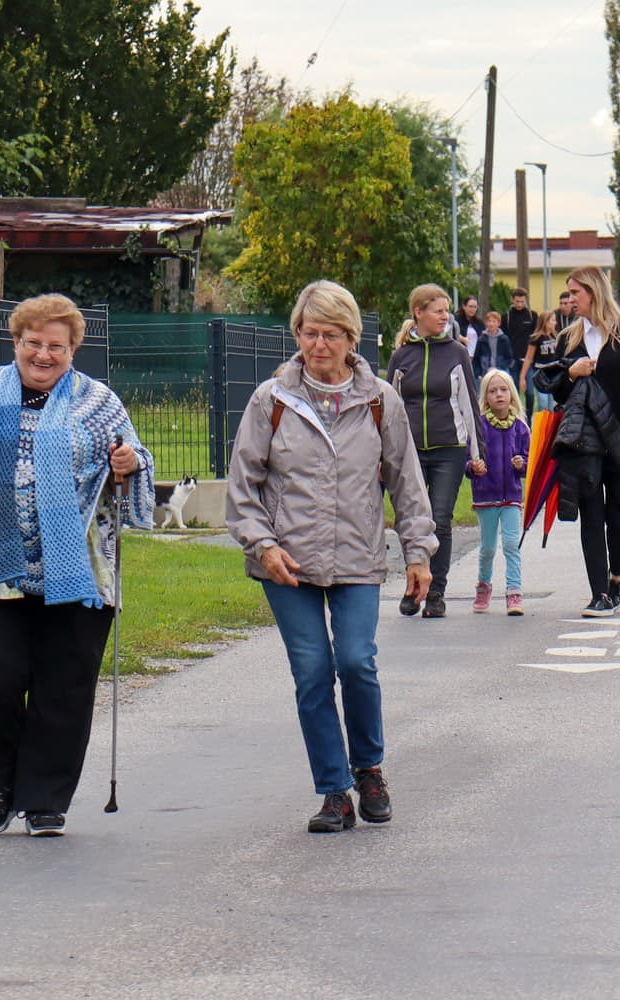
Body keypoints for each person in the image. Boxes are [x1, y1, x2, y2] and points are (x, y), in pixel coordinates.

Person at [0, 292, 155, 838]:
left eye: (56, 346)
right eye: (33, 343)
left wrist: (128, 463)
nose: (43, 355)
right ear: (16, 342)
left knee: (65, 682)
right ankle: (0, 787)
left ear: (73, 350)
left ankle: (45, 798)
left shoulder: (98, 402)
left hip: (76, 567)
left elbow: (134, 460)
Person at [225, 280, 437, 832]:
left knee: (356, 662)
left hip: (357, 558)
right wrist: (263, 546)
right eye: (309, 332)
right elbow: (243, 487)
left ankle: (369, 768)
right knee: (313, 673)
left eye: (331, 334)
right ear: (297, 334)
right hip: (286, 563)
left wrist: (418, 553)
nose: (319, 344)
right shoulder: (271, 400)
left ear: (351, 338)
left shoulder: (379, 401)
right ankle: (334, 791)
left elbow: (406, 482)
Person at [533, 266, 620, 617]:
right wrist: (571, 373)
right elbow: (558, 391)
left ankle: (616, 577)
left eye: (576, 292)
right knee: (591, 515)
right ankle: (599, 593)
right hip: (582, 443)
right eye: (569, 293)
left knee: (619, 517)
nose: (570, 299)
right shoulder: (568, 339)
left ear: (594, 291)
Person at [387, 283, 486, 619]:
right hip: (410, 452)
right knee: (411, 520)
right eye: (438, 311)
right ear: (419, 312)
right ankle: (413, 586)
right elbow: (389, 409)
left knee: (439, 519)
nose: (445, 317)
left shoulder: (457, 353)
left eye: (447, 311)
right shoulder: (401, 357)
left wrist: (478, 454)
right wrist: (384, 455)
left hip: (449, 450)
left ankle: (436, 594)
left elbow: (469, 404)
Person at [467, 369, 531, 615]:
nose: (499, 395)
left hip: (511, 496)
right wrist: (474, 468)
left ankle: (514, 591)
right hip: (486, 495)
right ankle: (483, 586)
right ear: (485, 397)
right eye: (493, 391)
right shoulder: (479, 428)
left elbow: (530, 463)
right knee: (488, 548)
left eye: (503, 390)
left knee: (512, 544)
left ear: (512, 394)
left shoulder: (521, 428)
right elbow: (467, 460)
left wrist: (522, 465)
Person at [521, 307, 564, 413]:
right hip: (541, 372)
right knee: (543, 402)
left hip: (553, 372)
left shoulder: (556, 336)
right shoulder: (536, 338)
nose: (555, 323)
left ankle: (552, 422)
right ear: (545, 322)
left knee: (553, 402)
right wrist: (522, 377)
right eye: (553, 320)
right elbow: (528, 358)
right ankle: (543, 421)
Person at [503, 288, 538, 409]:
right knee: (514, 392)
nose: (519, 304)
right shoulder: (506, 317)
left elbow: (536, 337)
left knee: (530, 393)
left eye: (522, 302)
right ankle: (517, 414)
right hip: (512, 360)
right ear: (512, 300)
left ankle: (528, 416)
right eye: (517, 301)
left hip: (528, 360)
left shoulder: (532, 316)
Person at [472, 310, 515, 379]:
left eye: (494, 321)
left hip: (501, 372)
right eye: (489, 321)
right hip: (485, 372)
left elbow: (509, 358)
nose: (491, 324)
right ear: (486, 323)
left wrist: (498, 368)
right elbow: (476, 359)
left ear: (499, 323)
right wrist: (478, 374)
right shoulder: (481, 339)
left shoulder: (504, 339)